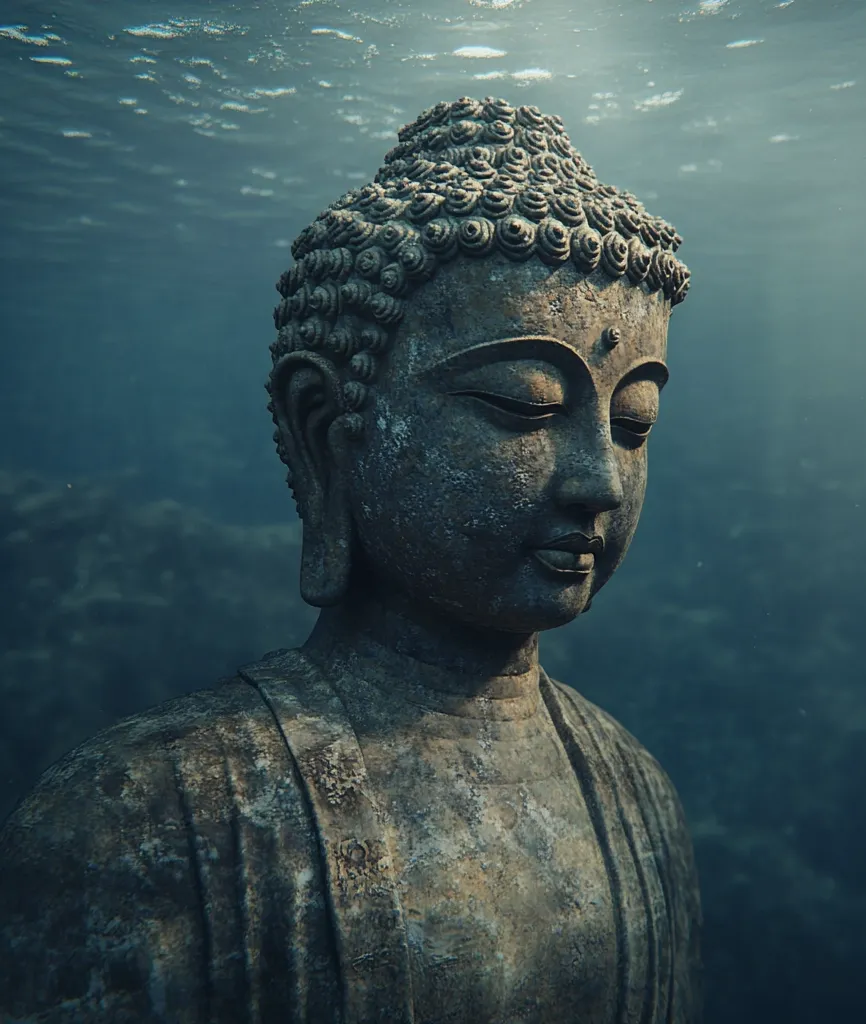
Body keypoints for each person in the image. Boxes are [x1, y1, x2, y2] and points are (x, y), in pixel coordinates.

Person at [0, 96, 701, 1023]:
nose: (598, 482)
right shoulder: (149, 812)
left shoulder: (637, 795)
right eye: (526, 405)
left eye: (632, 423)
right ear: (327, 430)